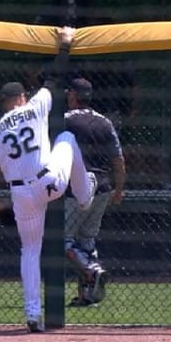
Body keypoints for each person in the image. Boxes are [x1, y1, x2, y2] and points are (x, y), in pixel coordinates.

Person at [0, 26, 96, 333]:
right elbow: (54, 77)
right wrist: (65, 44)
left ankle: (32, 314)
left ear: (5, 102)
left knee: (29, 251)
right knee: (67, 137)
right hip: (49, 182)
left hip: (21, 196)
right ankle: (85, 196)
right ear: (21, 97)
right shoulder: (34, 106)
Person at [63, 77, 126, 307]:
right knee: (87, 240)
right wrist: (119, 188)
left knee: (63, 240)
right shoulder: (105, 122)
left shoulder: (64, 121)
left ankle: (92, 270)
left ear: (72, 95)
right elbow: (118, 160)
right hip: (103, 186)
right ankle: (88, 295)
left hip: (77, 189)